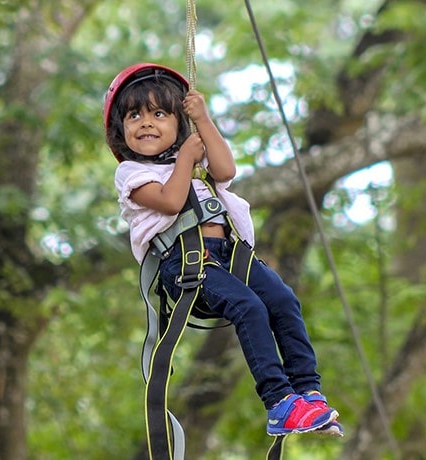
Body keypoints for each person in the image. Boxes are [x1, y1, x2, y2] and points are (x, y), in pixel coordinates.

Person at [104, 63, 342, 437]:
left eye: (159, 113)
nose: (146, 122)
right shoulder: (132, 173)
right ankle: (279, 402)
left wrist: (203, 120)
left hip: (230, 255)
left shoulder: (196, 161)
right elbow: (169, 202)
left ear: (177, 123)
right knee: (248, 306)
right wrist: (185, 157)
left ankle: (307, 391)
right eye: (135, 116)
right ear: (121, 131)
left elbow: (226, 167)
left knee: (282, 300)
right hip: (186, 263)